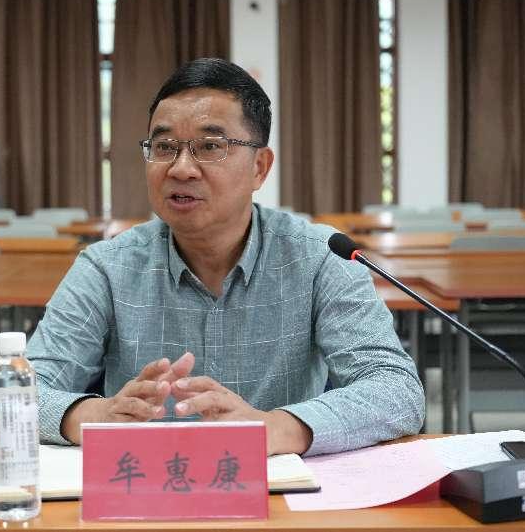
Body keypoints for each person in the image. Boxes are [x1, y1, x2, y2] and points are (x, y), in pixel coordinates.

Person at [26, 58, 424, 456]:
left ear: (259, 168)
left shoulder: (319, 259)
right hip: (144, 486)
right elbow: (14, 395)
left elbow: (396, 389)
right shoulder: (106, 268)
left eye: (210, 147)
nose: (181, 169)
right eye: (164, 147)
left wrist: (275, 428)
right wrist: (97, 415)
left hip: (281, 489)